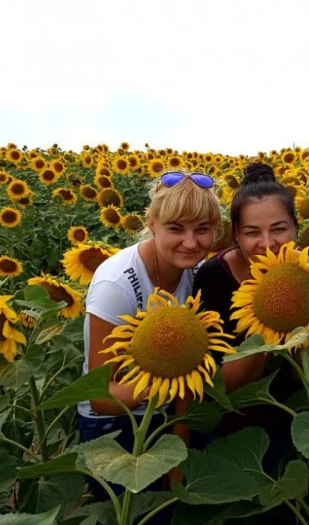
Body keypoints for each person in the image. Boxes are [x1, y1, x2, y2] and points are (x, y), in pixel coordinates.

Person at [77, 171, 221, 501]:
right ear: (152, 223)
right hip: (113, 427)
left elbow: (191, 374)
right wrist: (170, 375)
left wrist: (179, 449)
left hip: (170, 417)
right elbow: (102, 397)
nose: (190, 241)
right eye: (176, 228)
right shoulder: (116, 284)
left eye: (202, 230)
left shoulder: (197, 273)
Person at [193, 163, 309, 434]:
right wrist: (266, 323)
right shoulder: (212, 278)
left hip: (305, 419)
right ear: (236, 235)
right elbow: (219, 388)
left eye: (278, 229)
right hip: (235, 421)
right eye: (252, 232)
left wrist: (305, 347)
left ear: (296, 228)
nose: (267, 243)